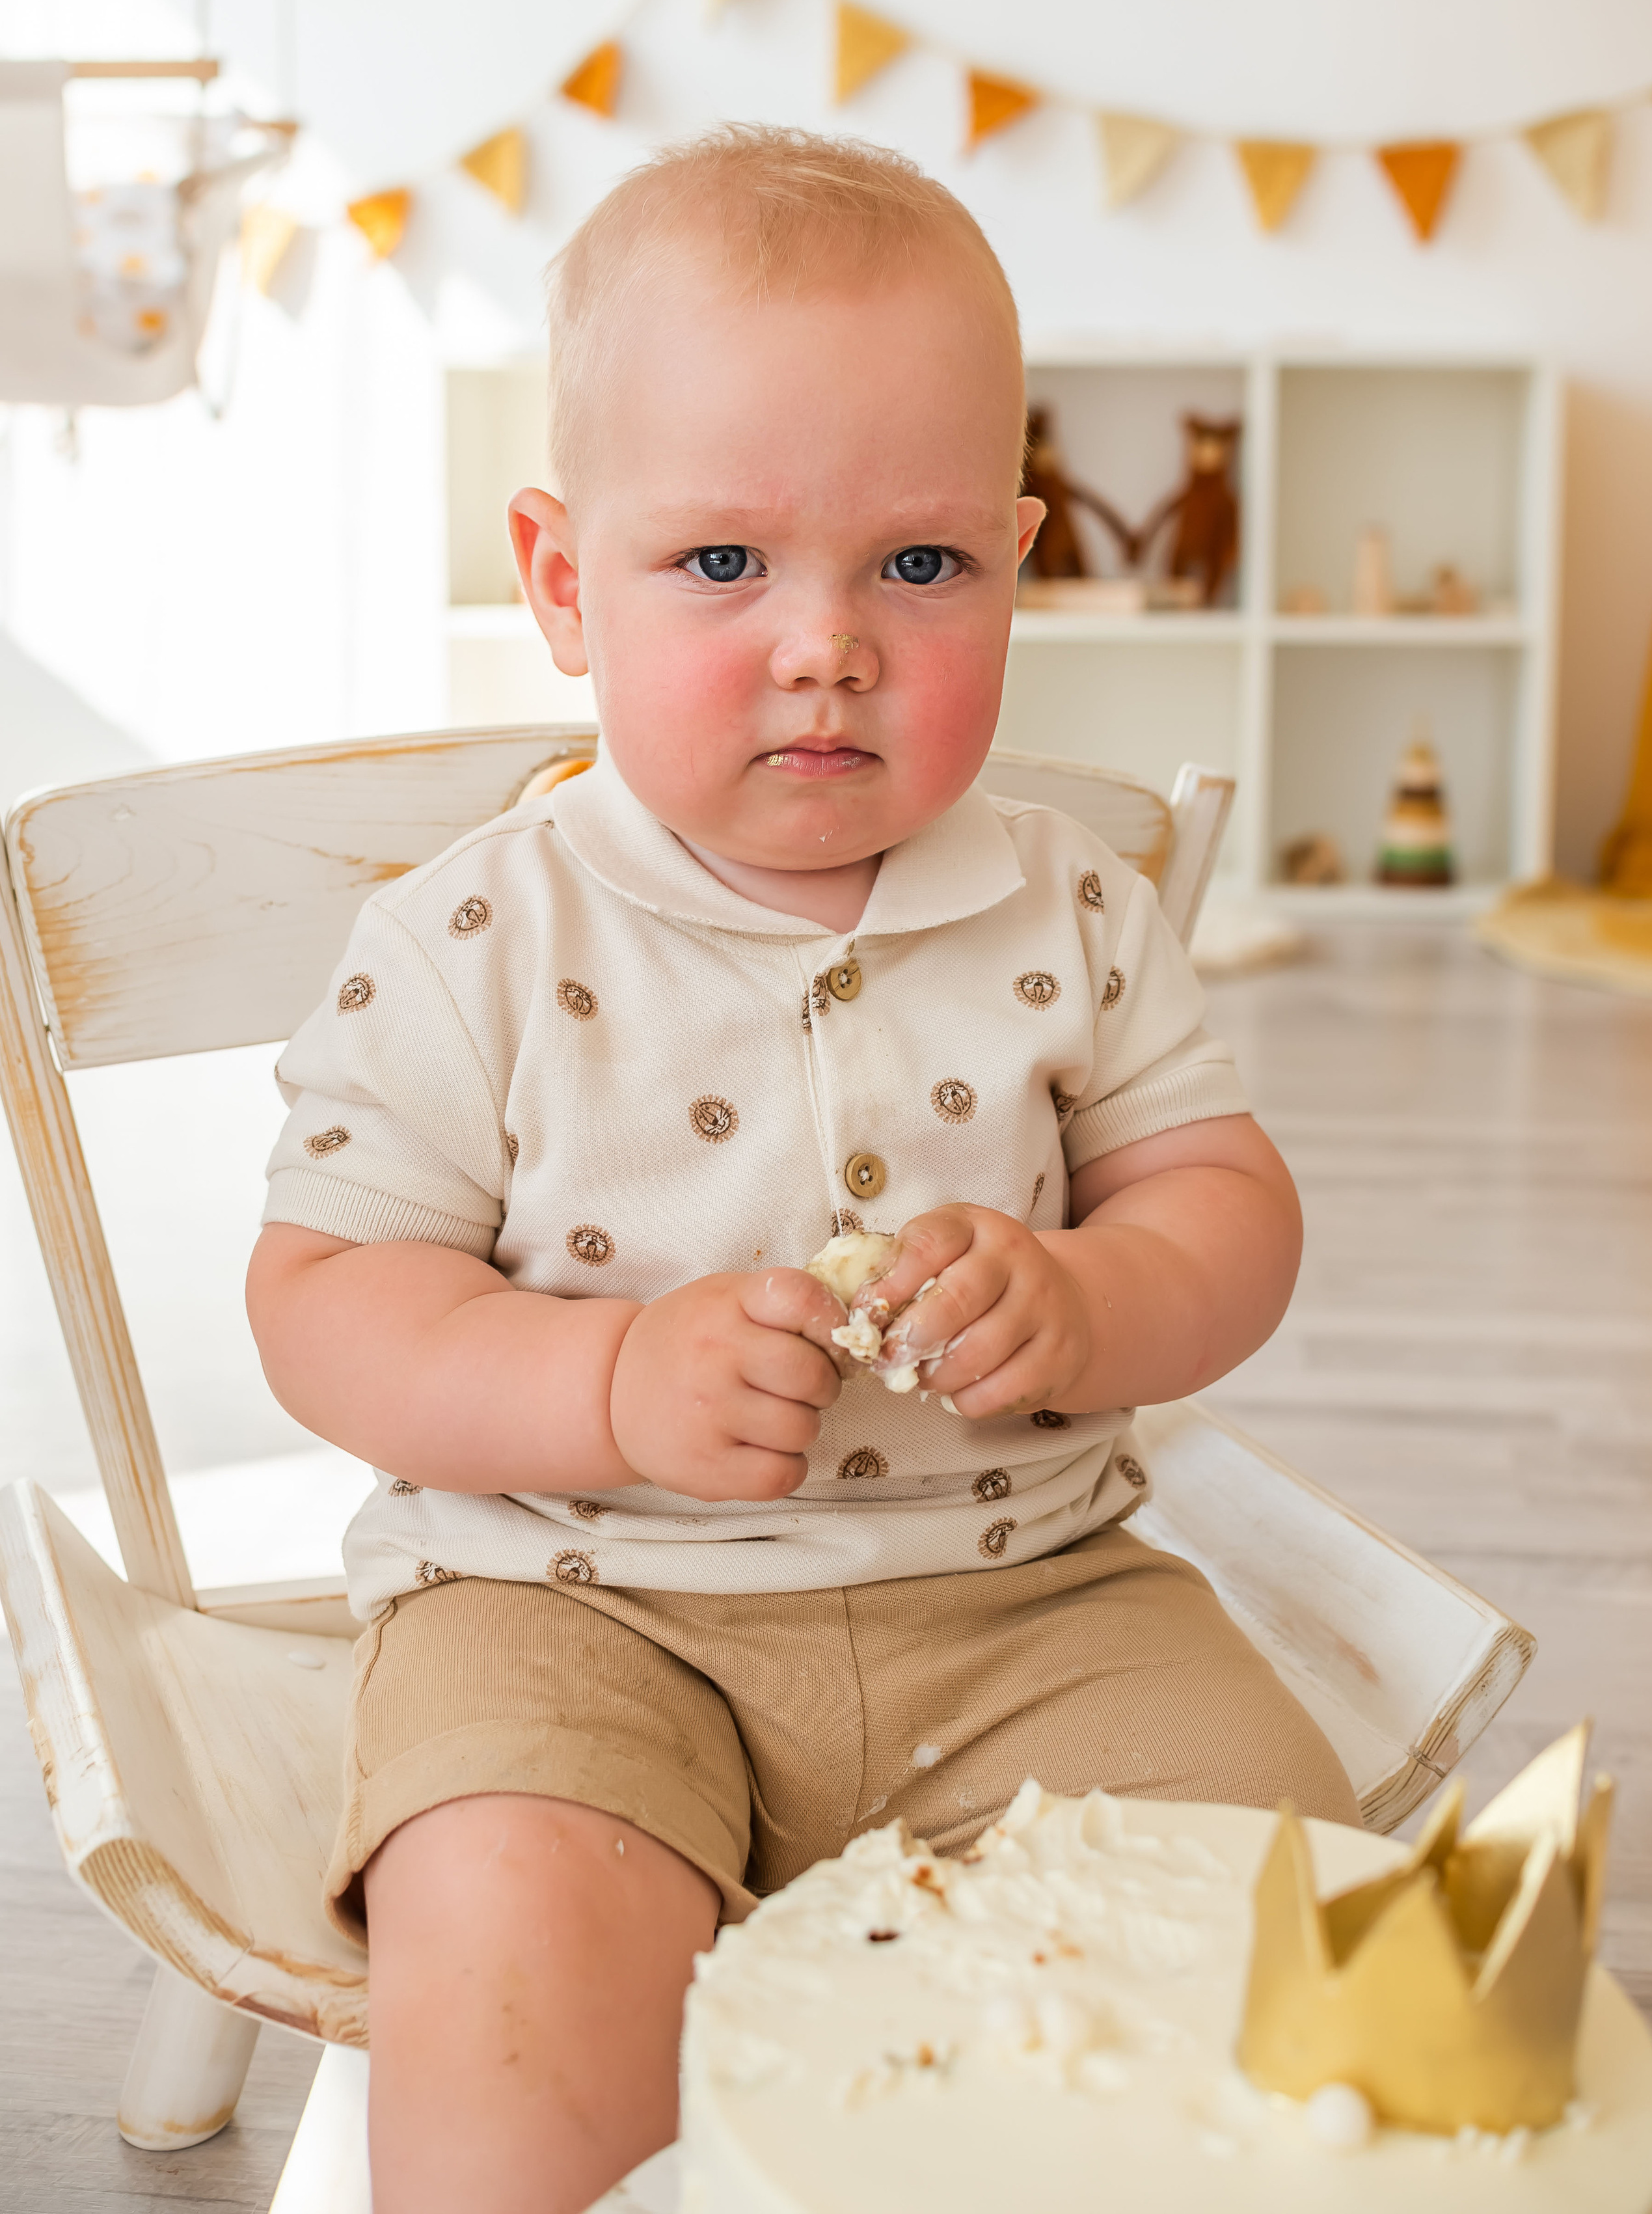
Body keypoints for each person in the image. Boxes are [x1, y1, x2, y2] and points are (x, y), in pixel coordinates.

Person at [246, 124, 1357, 2214]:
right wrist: (602, 1382)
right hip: (568, 1605)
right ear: (566, 581)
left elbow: (1229, 1204)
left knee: (1287, 1921)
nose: (828, 640)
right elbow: (321, 1297)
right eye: (726, 563)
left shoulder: (1071, 905)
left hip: (1032, 1600)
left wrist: (1097, 1297)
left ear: (1016, 567)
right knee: (510, 1976)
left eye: (918, 566)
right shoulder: (479, 934)